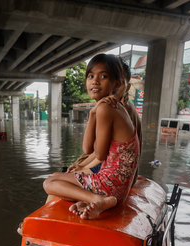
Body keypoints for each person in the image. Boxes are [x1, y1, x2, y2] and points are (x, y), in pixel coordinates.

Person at [43, 54, 139, 220]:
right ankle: (90, 199)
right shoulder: (106, 107)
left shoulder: (107, 109)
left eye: (103, 76)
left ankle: (97, 199)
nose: (95, 81)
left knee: (49, 183)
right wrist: (93, 113)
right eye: (90, 76)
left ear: (116, 83)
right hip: (116, 186)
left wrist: (97, 112)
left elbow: (99, 155)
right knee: (55, 178)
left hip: (110, 188)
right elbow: (87, 150)